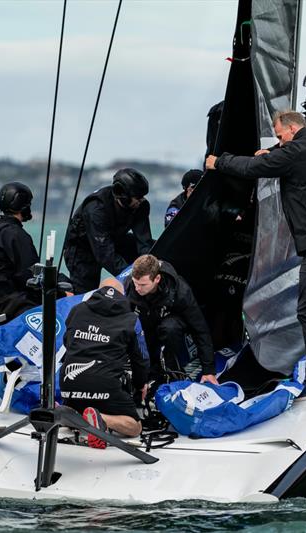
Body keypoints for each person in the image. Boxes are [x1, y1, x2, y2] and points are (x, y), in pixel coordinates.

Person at [206, 110, 306, 400]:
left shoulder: (294, 154)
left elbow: (253, 168)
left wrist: (219, 162)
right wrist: (276, 149)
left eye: (280, 135)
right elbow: (294, 151)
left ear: (290, 129)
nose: (279, 140)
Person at [59, 281, 149, 448]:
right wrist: (140, 384)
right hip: (103, 384)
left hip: (69, 382)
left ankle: (72, 415)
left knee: (78, 403)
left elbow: (67, 342)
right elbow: (140, 358)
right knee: (135, 427)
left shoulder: (77, 310)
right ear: (122, 295)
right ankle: (101, 418)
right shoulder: (131, 319)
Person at [126, 254, 219, 385]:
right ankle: (150, 371)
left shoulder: (180, 291)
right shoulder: (130, 286)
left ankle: (172, 371)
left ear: (157, 278)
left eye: (142, 285)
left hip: (171, 324)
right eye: (135, 283)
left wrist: (209, 370)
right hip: (147, 324)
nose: (137, 288)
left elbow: (200, 329)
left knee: (170, 327)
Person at [63, 168, 154, 294]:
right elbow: (105, 254)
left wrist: (150, 267)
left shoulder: (140, 206)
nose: (141, 201)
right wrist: (130, 276)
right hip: (82, 250)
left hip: (113, 238)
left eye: (142, 197)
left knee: (152, 250)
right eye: (137, 197)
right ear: (124, 196)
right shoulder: (96, 209)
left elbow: (144, 242)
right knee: (86, 292)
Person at [0, 182, 42, 319]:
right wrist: (62, 292)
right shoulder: (15, 234)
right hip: (18, 304)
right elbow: (31, 275)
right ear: (23, 206)